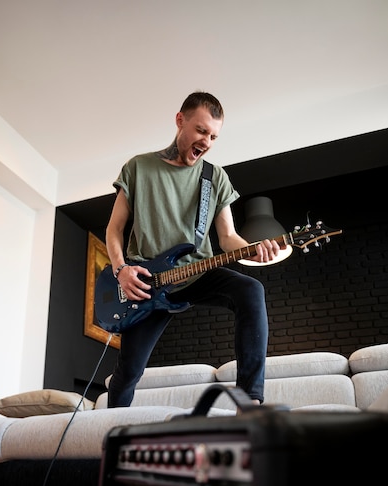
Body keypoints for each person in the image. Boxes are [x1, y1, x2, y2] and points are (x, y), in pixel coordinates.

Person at [105, 91, 280, 408]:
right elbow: (114, 228)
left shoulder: (215, 177)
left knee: (250, 290)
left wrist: (252, 250)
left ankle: (250, 400)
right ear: (180, 120)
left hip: (198, 272)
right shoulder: (138, 167)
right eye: (201, 131)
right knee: (128, 371)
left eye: (214, 136)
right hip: (148, 281)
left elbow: (228, 238)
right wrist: (121, 270)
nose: (207, 141)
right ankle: (108, 430)